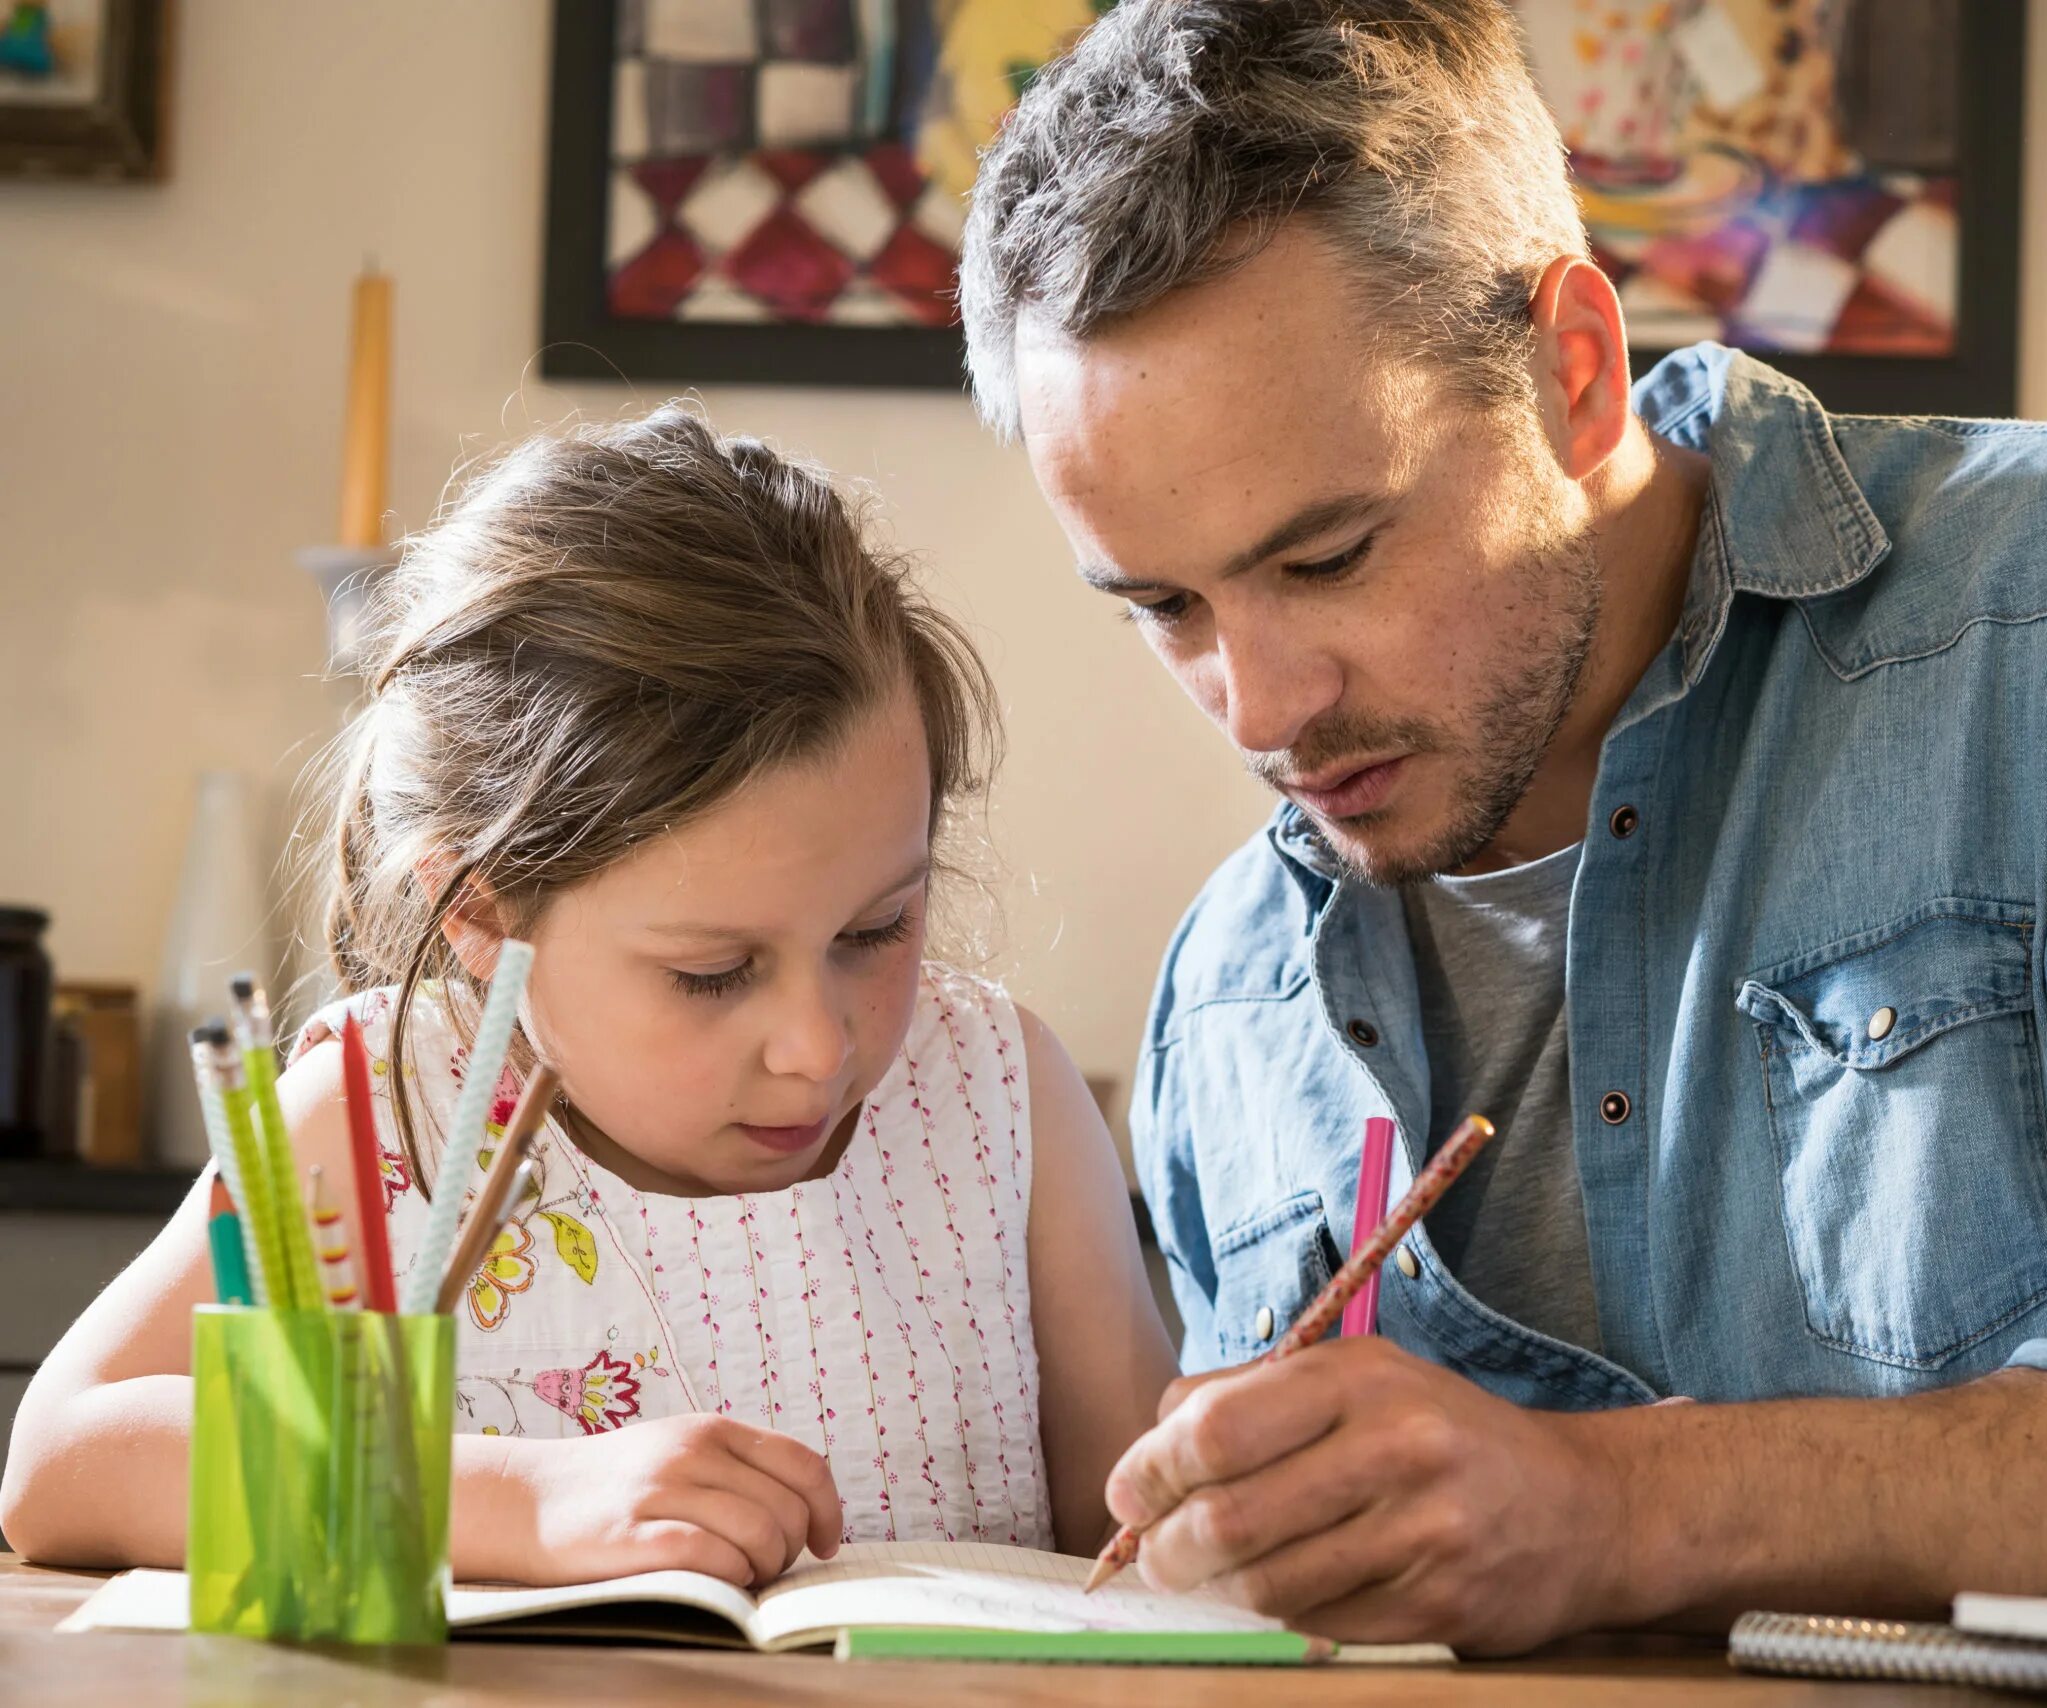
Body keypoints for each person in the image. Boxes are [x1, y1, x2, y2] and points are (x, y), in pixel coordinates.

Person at [957, 0, 2047, 1653]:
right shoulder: (1224, 999)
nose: (1261, 705)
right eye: (1160, 606)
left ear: (1574, 373)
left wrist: (1623, 1506)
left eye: (1331, 556)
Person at [0, 407, 1175, 1586]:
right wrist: (520, 1502)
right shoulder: (376, 1118)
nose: (819, 1047)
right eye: (710, 972)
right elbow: (58, 1467)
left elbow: (1138, 1538)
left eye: (877, 929)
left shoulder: (998, 1101)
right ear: (480, 913)